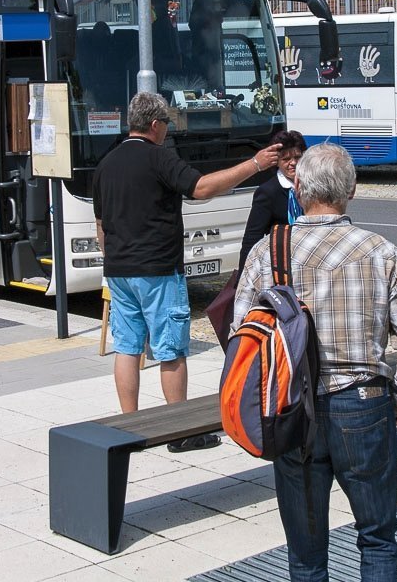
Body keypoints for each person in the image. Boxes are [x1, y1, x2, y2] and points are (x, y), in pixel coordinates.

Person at [233, 143, 397, 581]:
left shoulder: (270, 252)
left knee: (305, 556)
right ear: (352, 190)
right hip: (363, 405)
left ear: (299, 187)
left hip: (293, 413)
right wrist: (393, 405)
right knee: (378, 538)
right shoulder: (380, 252)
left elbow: (240, 338)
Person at [94, 91, 281, 448]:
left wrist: (112, 258)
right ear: (154, 125)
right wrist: (254, 164)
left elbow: (100, 223)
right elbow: (201, 188)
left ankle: (130, 424)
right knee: (170, 350)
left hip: (118, 269)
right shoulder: (158, 158)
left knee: (127, 347)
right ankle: (179, 432)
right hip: (159, 269)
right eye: (166, 124)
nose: (167, 130)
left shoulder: (108, 162)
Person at [237, 130, 307, 268]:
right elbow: (251, 239)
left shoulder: (313, 186)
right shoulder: (268, 192)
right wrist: (242, 281)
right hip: (282, 266)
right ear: (276, 162)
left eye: (297, 157)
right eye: (286, 159)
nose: (293, 163)